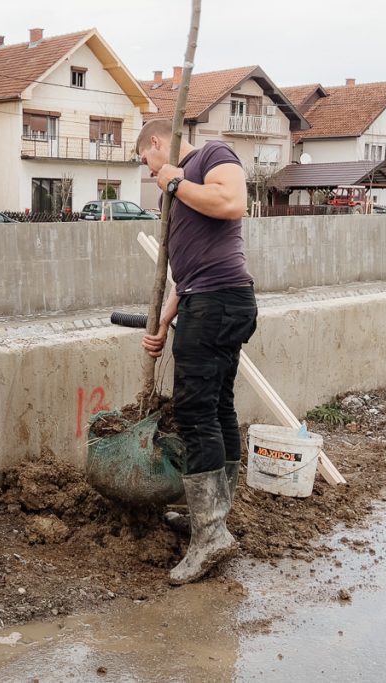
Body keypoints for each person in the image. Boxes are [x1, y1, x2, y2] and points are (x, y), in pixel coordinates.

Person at [136, 119, 258, 585]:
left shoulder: (211, 156)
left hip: (217, 304)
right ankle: (213, 518)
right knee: (217, 406)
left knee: (194, 413)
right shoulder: (181, 187)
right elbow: (190, 273)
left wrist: (174, 178)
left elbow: (231, 203)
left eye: (146, 160)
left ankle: (210, 536)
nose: (149, 171)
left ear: (155, 143)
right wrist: (166, 320)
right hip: (211, 299)